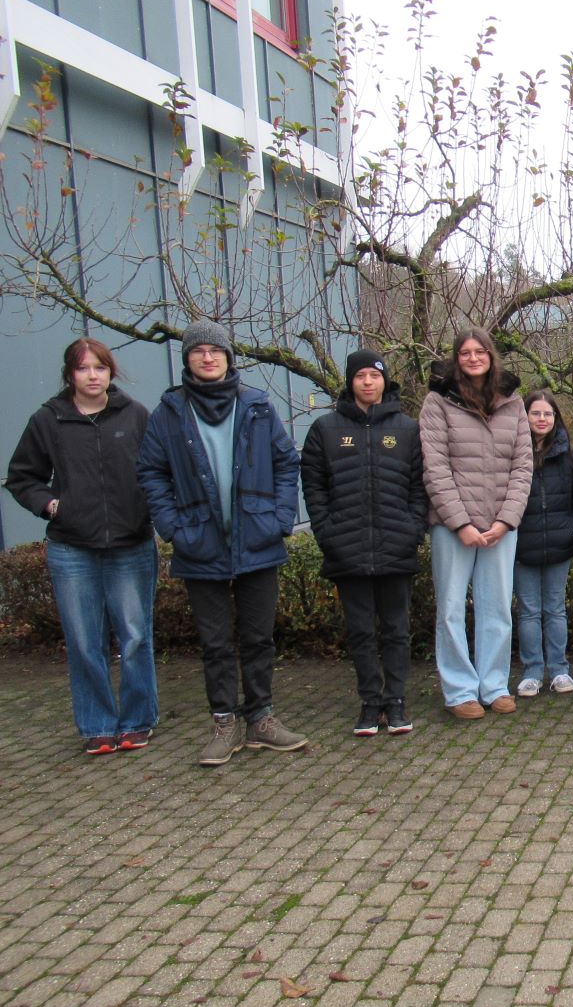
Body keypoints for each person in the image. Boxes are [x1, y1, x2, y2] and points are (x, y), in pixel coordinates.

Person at [137, 319, 306, 765]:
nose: (208, 357)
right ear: (188, 359)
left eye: (216, 350)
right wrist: (173, 527)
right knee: (214, 642)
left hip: (257, 538)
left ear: (229, 358)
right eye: (199, 351)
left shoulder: (256, 406)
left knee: (258, 637)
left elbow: (287, 463)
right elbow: (151, 472)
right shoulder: (170, 412)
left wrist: (279, 518)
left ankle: (261, 721)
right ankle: (224, 724)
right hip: (200, 543)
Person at [7, 338, 158, 755]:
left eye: (100, 368)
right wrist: (52, 505)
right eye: (83, 368)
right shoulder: (48, 420)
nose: (93, 376)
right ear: (69, 374)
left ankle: (138, 720)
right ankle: (97, 726)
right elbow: (22, 477)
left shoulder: (135, 414)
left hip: (130, 544)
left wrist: (149, 512)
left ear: (111, 372)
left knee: (134, 637)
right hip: (72, 548)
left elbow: (158, 471)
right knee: (84, 641)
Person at [300, 349, 428, 737]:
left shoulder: (408, 429)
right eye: (360, 377)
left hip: (396, 547)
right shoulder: (325, 429)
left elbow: (420, 488)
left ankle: (397, 701)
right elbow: (313, 487)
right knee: (359, 631)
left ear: (384, 381)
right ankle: (370, 702)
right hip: (347, 549)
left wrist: (411, 530)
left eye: (374, 376)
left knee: (395, 629)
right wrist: (327, 533)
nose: (368, 383)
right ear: (350, 382)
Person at [420, 327, 532, 721]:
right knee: (451, 609)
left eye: (479, 351)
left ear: (491, 355)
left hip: (501, 525)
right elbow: (435, 469)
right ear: (456, 358)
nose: (472, 358)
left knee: (497, 607)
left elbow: (523, 466)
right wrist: (460, 523)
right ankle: (459, 689)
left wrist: (506, 520)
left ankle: (494, 685)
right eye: (464, 352)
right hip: (454, 527)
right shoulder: (437, 403)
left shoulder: (513, 403)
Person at [514, 390, 573, 698]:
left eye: (548, 414)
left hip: (560, 544)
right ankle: (532, 671)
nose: (542, 419)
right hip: (523, 547)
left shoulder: (569, 456)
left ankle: (559, 669)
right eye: (536, 413)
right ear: (525, 417)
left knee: (555, 609)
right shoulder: (513, 454)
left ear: (556, 418)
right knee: (529, 611)